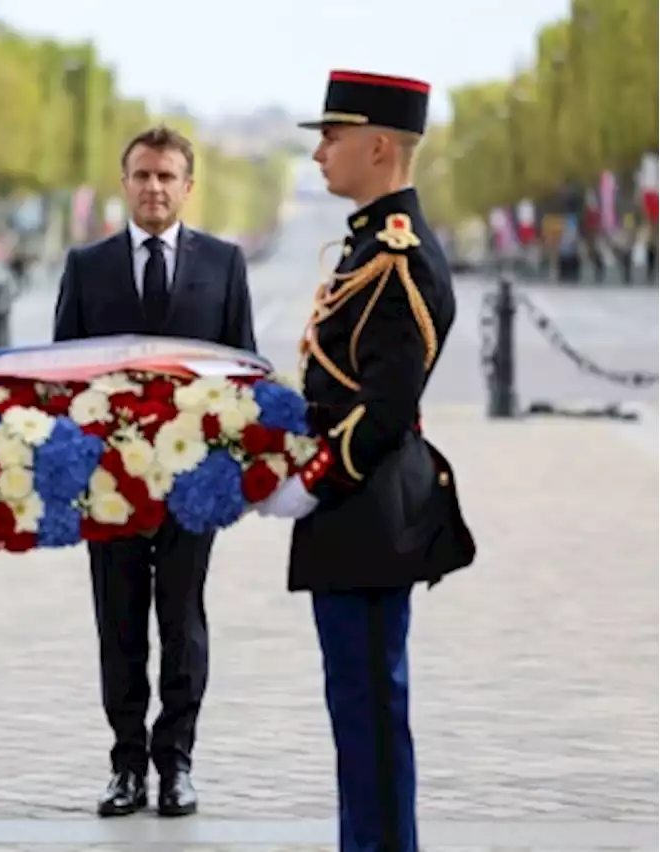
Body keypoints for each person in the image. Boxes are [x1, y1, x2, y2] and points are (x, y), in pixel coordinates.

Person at [256, 70, 477, 851]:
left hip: (365, 512)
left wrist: (309, 480)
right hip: (354, 515)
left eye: (332, 136)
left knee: (371, 709)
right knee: (355, 706)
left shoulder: (401, 257)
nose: (319, 152)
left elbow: (384, 410)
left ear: (379, 147)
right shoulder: (367, 242)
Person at [53, 125, 257, 818]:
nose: (154, 187)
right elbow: (60, 379)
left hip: (191, 486)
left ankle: (177, 764)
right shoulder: (87, 266)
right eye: (142, 175)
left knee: (182, 621)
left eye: (167, 176)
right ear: (125, 181)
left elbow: (242, 375)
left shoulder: (225, 265)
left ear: (187, 186)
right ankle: (125, 764)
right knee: (118, 624)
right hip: (108, 485)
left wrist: (232, 472)